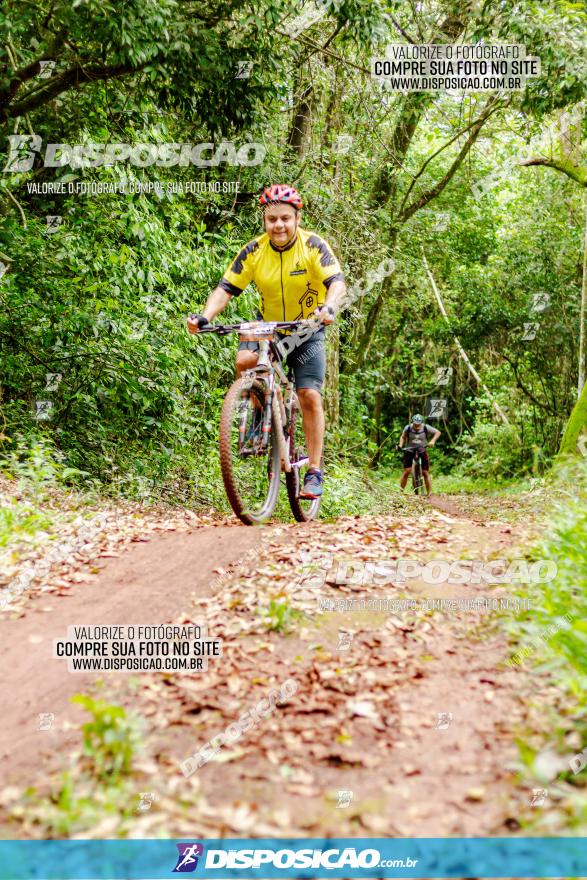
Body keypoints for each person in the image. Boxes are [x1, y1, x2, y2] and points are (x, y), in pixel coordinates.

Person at [187, 184, 346, 499]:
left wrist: (328, 307)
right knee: (245, 362)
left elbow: (336, 283)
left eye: (285, 218)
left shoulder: (313, 246)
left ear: (297, 218)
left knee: (308, 394)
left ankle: (314, 470)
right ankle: (261, 410)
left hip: (306, 327)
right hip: (269, 326)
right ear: (264, 219)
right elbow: (226, 288)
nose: (279, 225)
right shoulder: (254, 251)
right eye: (272, 219)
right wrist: (204, 316)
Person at [398, 414, 441, 497]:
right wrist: (400, 445)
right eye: (415, 424)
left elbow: (438, 432)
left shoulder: (425, 427)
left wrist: (432, 441)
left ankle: (429, 493)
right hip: (410, 450)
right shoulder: (408, 428)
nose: (417, 426)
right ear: (412, 422)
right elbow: (403, 437)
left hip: (422, 450)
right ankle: (400, 492)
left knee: (425, 472)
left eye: (418, 424)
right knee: (407, 471)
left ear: (421, 423)